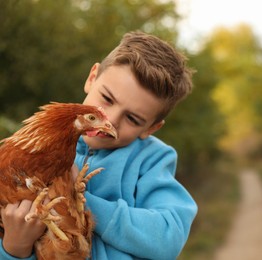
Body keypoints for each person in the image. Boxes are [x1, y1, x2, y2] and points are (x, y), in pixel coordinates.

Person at [0, 31, 198, 259]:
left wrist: (79, 202)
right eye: (107, 99)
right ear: (92, 78)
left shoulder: (151, 159)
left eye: (133, 119)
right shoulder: (33, 153)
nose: (111, 120)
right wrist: (14, 249)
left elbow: (168, 237)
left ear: (150, 129)